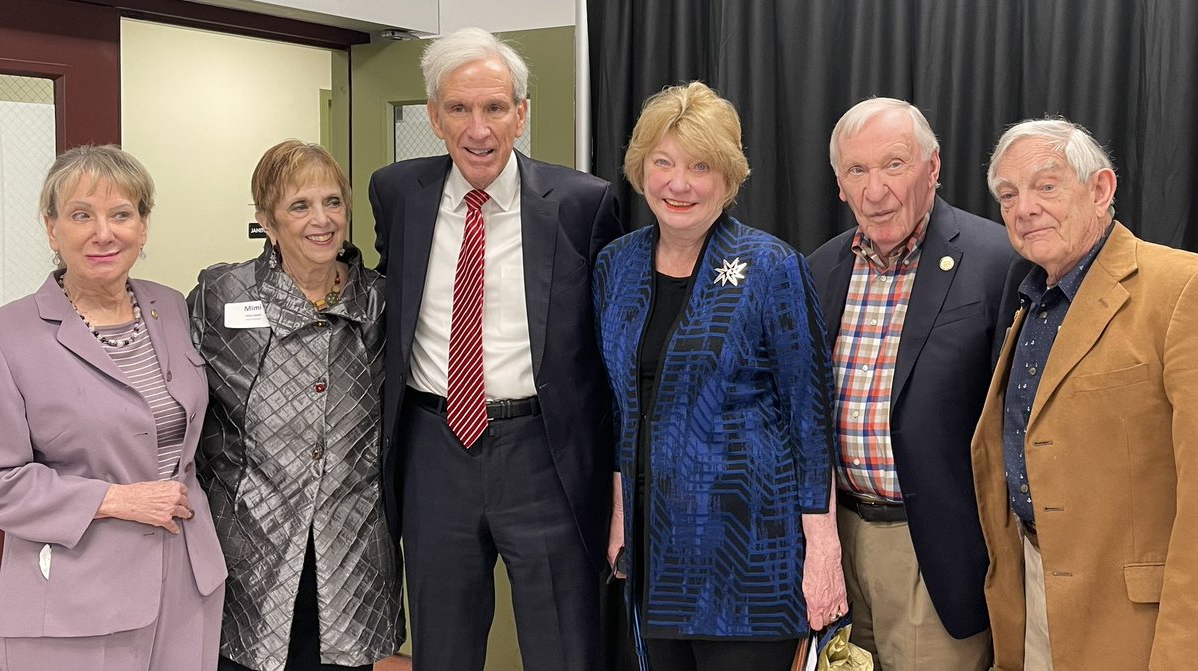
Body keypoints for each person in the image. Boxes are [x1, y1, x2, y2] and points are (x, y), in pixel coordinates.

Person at [368, 27, 624, 671]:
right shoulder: (397, 192)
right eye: (458, 108)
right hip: (433, 450)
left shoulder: (582, 203)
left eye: (494, 108)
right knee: (443, 646)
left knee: (564, 645)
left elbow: (609, 342)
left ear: (522, 114)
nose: (477, 129)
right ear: (433, 116)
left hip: (546, 453)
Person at [594, 81, 847, 671]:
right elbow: (618, 404)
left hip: (751, 556)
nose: (678, 184)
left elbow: (810, 417)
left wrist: (823, 551)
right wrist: (618, 516)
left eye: (700, 166)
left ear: (728, 179)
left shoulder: (771, 266)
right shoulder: (617, 264)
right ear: (641, 168)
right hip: (653, 553)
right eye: (664, 163)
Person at [806, 98, 1027, 670]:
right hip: (839, 542)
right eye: (857, 171)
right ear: (839, 185)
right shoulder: (818, 269)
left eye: (894, 165)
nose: (875, 190)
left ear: (933, 168)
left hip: (936, 551)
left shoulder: (998, 261)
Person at [974, 118, 1198, 670]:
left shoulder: (1180, 288)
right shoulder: (1029, 302)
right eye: (1008, 195)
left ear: (1101, 190)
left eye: (1045, 186)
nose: (1024, 208)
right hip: (1033, 589)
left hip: (1133, 621)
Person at [0, 145, 226, 669]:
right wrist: (114, 500)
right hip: (77, 591)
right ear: (52, 229)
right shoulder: (11, 336)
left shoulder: (169, 306)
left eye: (121, 214)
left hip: (187, 583)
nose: (104, 233)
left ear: (143, 228)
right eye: (82, 215)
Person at [189, 140, 404, 671]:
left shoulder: (381, 300)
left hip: (351, 543)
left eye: (333, 202)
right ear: (266, 218)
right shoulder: (222, 295)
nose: (322, 220)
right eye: (300, 206)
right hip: (249, 542)